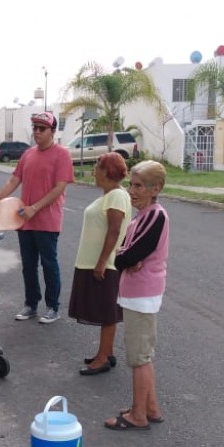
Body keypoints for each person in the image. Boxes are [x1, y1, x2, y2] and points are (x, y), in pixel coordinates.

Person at [0, 111, 74, 323]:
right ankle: (31, 304)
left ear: (52, 131)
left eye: (41, 129)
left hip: (47, 221)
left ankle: (53, 306)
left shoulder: (62, 154)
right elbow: (14, 181)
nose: (37, 132)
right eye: (34, 128)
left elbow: (59, 188)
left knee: (48, 264)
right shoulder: (28, 154)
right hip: (24, 220)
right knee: (28, 265)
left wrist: (35, 207)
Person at [104, 160, 170, 430]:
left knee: (139, 358)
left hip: (142, 294)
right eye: (132, 184)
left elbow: (126, 256)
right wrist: (126, 258)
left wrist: (126, 259)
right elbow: (123, 253)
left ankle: (138, 415)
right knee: (143, 355)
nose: (132, 190)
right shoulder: (141, 216)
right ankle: (150, 408)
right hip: (136, 293)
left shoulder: (155, 215)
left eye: (139, 186)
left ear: (156, 189)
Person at [68, 152, 132, 376]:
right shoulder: (107, 196)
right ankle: (106, 352)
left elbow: (114, 230)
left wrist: (102, 261)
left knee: (107, 313)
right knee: (104, 310)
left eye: (97, 167)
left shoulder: (116, 195)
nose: (94, 171)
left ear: (107, 171)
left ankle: (103, 358)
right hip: (91, 261)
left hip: (104, 264)